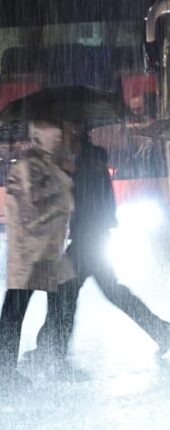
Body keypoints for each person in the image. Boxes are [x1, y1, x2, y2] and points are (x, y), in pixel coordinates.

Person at [29, 137, 170, 372]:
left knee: (64, 292)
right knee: (105, 292)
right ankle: (159, 329)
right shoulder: (93, 168)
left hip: (87, 242)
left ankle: (52, 349)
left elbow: (79, 204)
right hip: (94, 240)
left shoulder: (86, 171)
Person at [0, 121, 75, 385]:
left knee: (61, 301)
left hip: (47, 251)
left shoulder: (49, 168)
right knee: (17, 308)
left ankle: (51, 356)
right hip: (32, 253)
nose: (58, 143)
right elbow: (30, 209)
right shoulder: (28, 169)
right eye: (54, 139)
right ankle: (6, 369)